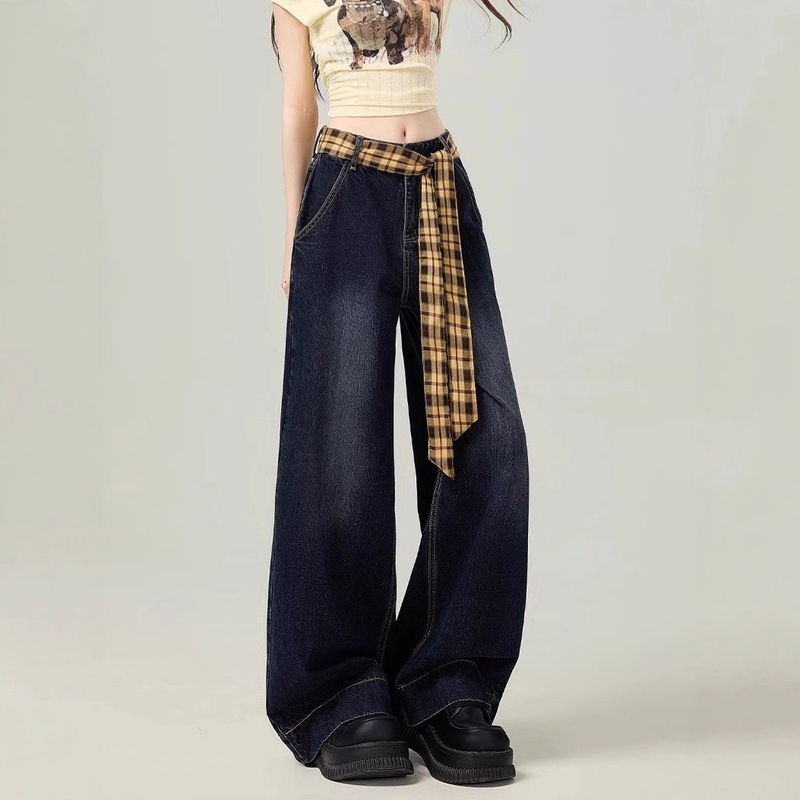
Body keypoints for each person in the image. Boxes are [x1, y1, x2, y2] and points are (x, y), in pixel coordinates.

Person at [266, 0, 530, 785]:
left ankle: (446, 682)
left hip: (440, 181)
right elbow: (298, 106)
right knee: (339, 453)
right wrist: (296, 233)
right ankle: (339, 692)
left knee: (485, 439)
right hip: (346, 189)